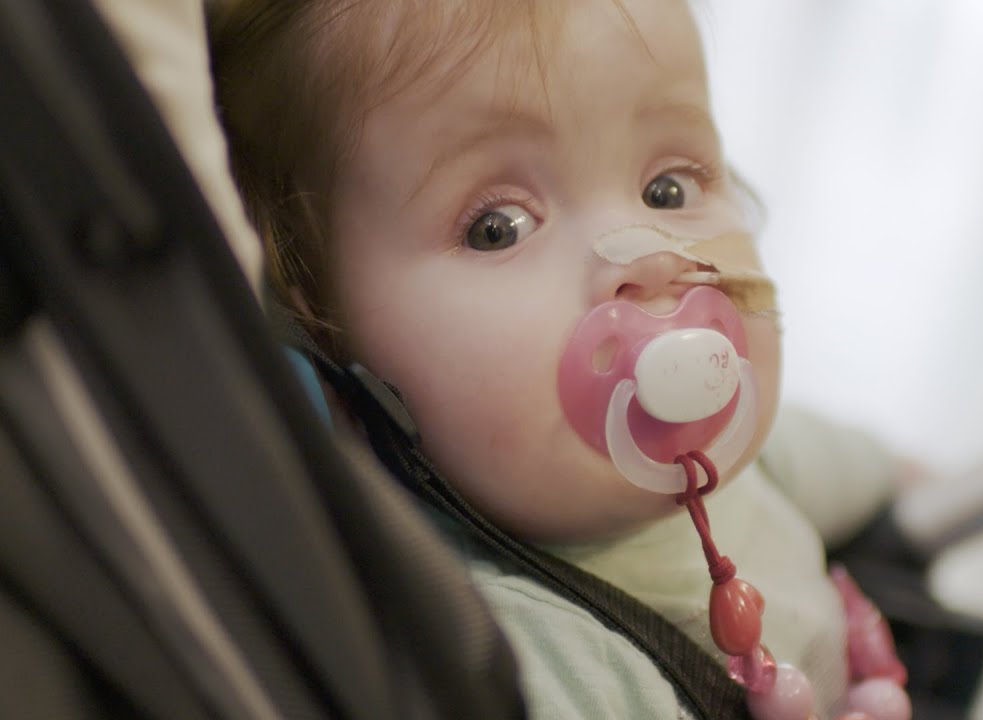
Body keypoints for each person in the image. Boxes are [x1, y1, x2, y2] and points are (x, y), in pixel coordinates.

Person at [209, 1, 913, 718]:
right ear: (324, 326)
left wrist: (897, 469)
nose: (648, 259)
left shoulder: (736, 467)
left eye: (667, 187)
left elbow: (825, 458)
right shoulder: (526, 657)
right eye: (498, 228)